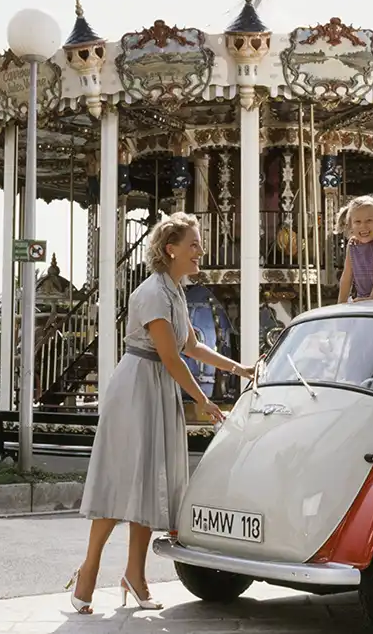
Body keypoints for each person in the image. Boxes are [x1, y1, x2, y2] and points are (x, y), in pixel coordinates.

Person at [67, 212, 255, 615]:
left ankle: (135, 575)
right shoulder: (153, 292)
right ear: (171, 249)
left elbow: (191, 347)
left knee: (148, 483)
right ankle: (88, 570)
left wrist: (239, 369)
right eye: (194, 244)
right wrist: (202, 400)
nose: (200, 250)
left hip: (157, 387)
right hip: (138, 386)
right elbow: (170, 357)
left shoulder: (175, 290)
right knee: (121, 479)